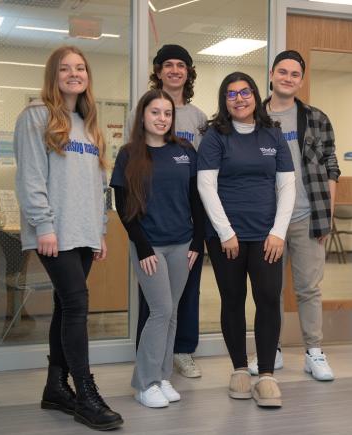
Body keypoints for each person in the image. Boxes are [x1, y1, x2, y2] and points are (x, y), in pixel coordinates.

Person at [13, 45, 123, 430]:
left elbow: (97, 185)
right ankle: (86, 394)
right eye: (65, 68)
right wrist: (43, 225)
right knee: (77, 304)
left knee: (65, 306)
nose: (74, 74)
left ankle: (55, 387)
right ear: (53, 75)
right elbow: (30, 178)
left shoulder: (88, 123)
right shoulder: (36, 116)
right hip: (54, 233)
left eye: (80, 68)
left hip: (83, 232)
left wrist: (101, 230)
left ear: (87, 76)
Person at [197, 72, 295, 408]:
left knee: (268, 298)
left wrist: (279, 232)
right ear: (224, 101)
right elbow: (206, 186)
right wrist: (226, 232)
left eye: (245, 92)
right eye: (231, 94)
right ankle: (239, 369)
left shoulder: (273, 134)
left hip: (268, 234)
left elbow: (287, 186)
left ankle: (266, 375)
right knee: (233, 299)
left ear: (256, 95)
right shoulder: (214, 136)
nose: (239, 99)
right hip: (227, 237)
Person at [248, 50, 340, 381]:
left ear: (301, 80)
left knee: (308, 289)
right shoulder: (252, 116)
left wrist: (325, 216)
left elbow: (332, 167)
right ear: (271, 74)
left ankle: (313, 352)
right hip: (265, 221)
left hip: (305, 217)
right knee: (267, 290)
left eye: (295, 74)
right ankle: (270, 349)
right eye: (282, 72)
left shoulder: (317, 119)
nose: (288, 78)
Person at [111, 89, 205, 408]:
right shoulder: (128, 154)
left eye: (167, 113)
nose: (162, 118)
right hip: (149, 245)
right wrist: (143, 246)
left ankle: (162, 376)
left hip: (183, 243)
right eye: (155, 112)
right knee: (161, 309)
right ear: (143, 115)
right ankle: (144, 382)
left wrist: (197, 241)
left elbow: (197, 199)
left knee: (172, 311)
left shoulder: (185, 151)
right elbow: (123, 205)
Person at [125, 44, 207, 378]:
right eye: (168, 65)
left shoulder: (198, 117)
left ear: (188, 73)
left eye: (181, 66)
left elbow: (200, 175)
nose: (175, 70)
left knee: (187, 292)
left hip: (184, 222)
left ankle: (182, 351)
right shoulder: (144, 107)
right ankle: (150, 360)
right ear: (158, 71)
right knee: (156, 300)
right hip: (152, 223)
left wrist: (198, 231)